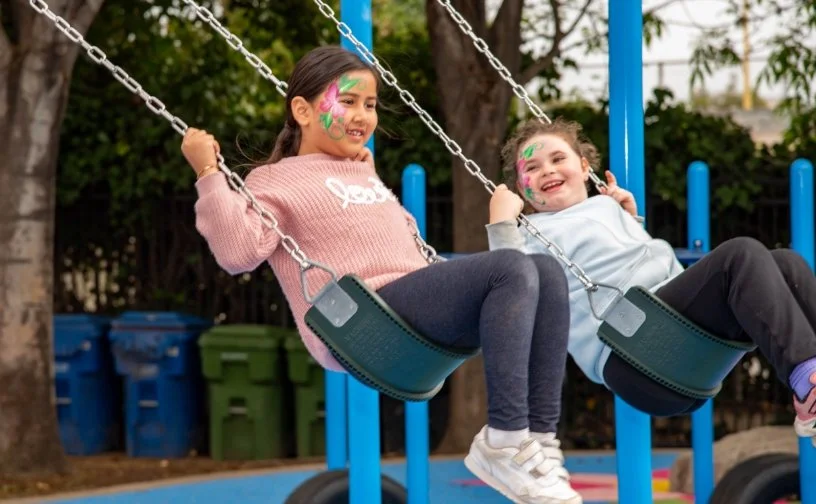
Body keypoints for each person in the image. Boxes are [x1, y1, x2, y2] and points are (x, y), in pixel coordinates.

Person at [182, 45, 583, 503]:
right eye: (348, 101)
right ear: (302, 110)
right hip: (363, 316)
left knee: (546, 272)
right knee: (511, 267)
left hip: (413, 305)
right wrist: (209, 172)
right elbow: (237, 253)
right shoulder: (274, 180)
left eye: (370, 105)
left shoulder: (362, 170)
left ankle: (540, 441)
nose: (362, 116)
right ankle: (505, 439)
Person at [486, 117, 816, 443]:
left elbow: (633, 266)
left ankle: (810, 392)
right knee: (740, 255)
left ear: (585, 168)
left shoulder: (606, 205)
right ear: (520, 189)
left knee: (787, 264)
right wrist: (502, 225)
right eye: (531, 168)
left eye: (558, 159)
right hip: (634, 356)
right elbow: (513, 291)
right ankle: (809, 380)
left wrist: (629, 220)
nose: (547, 170)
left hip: (678, 340)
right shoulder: (529, 235)